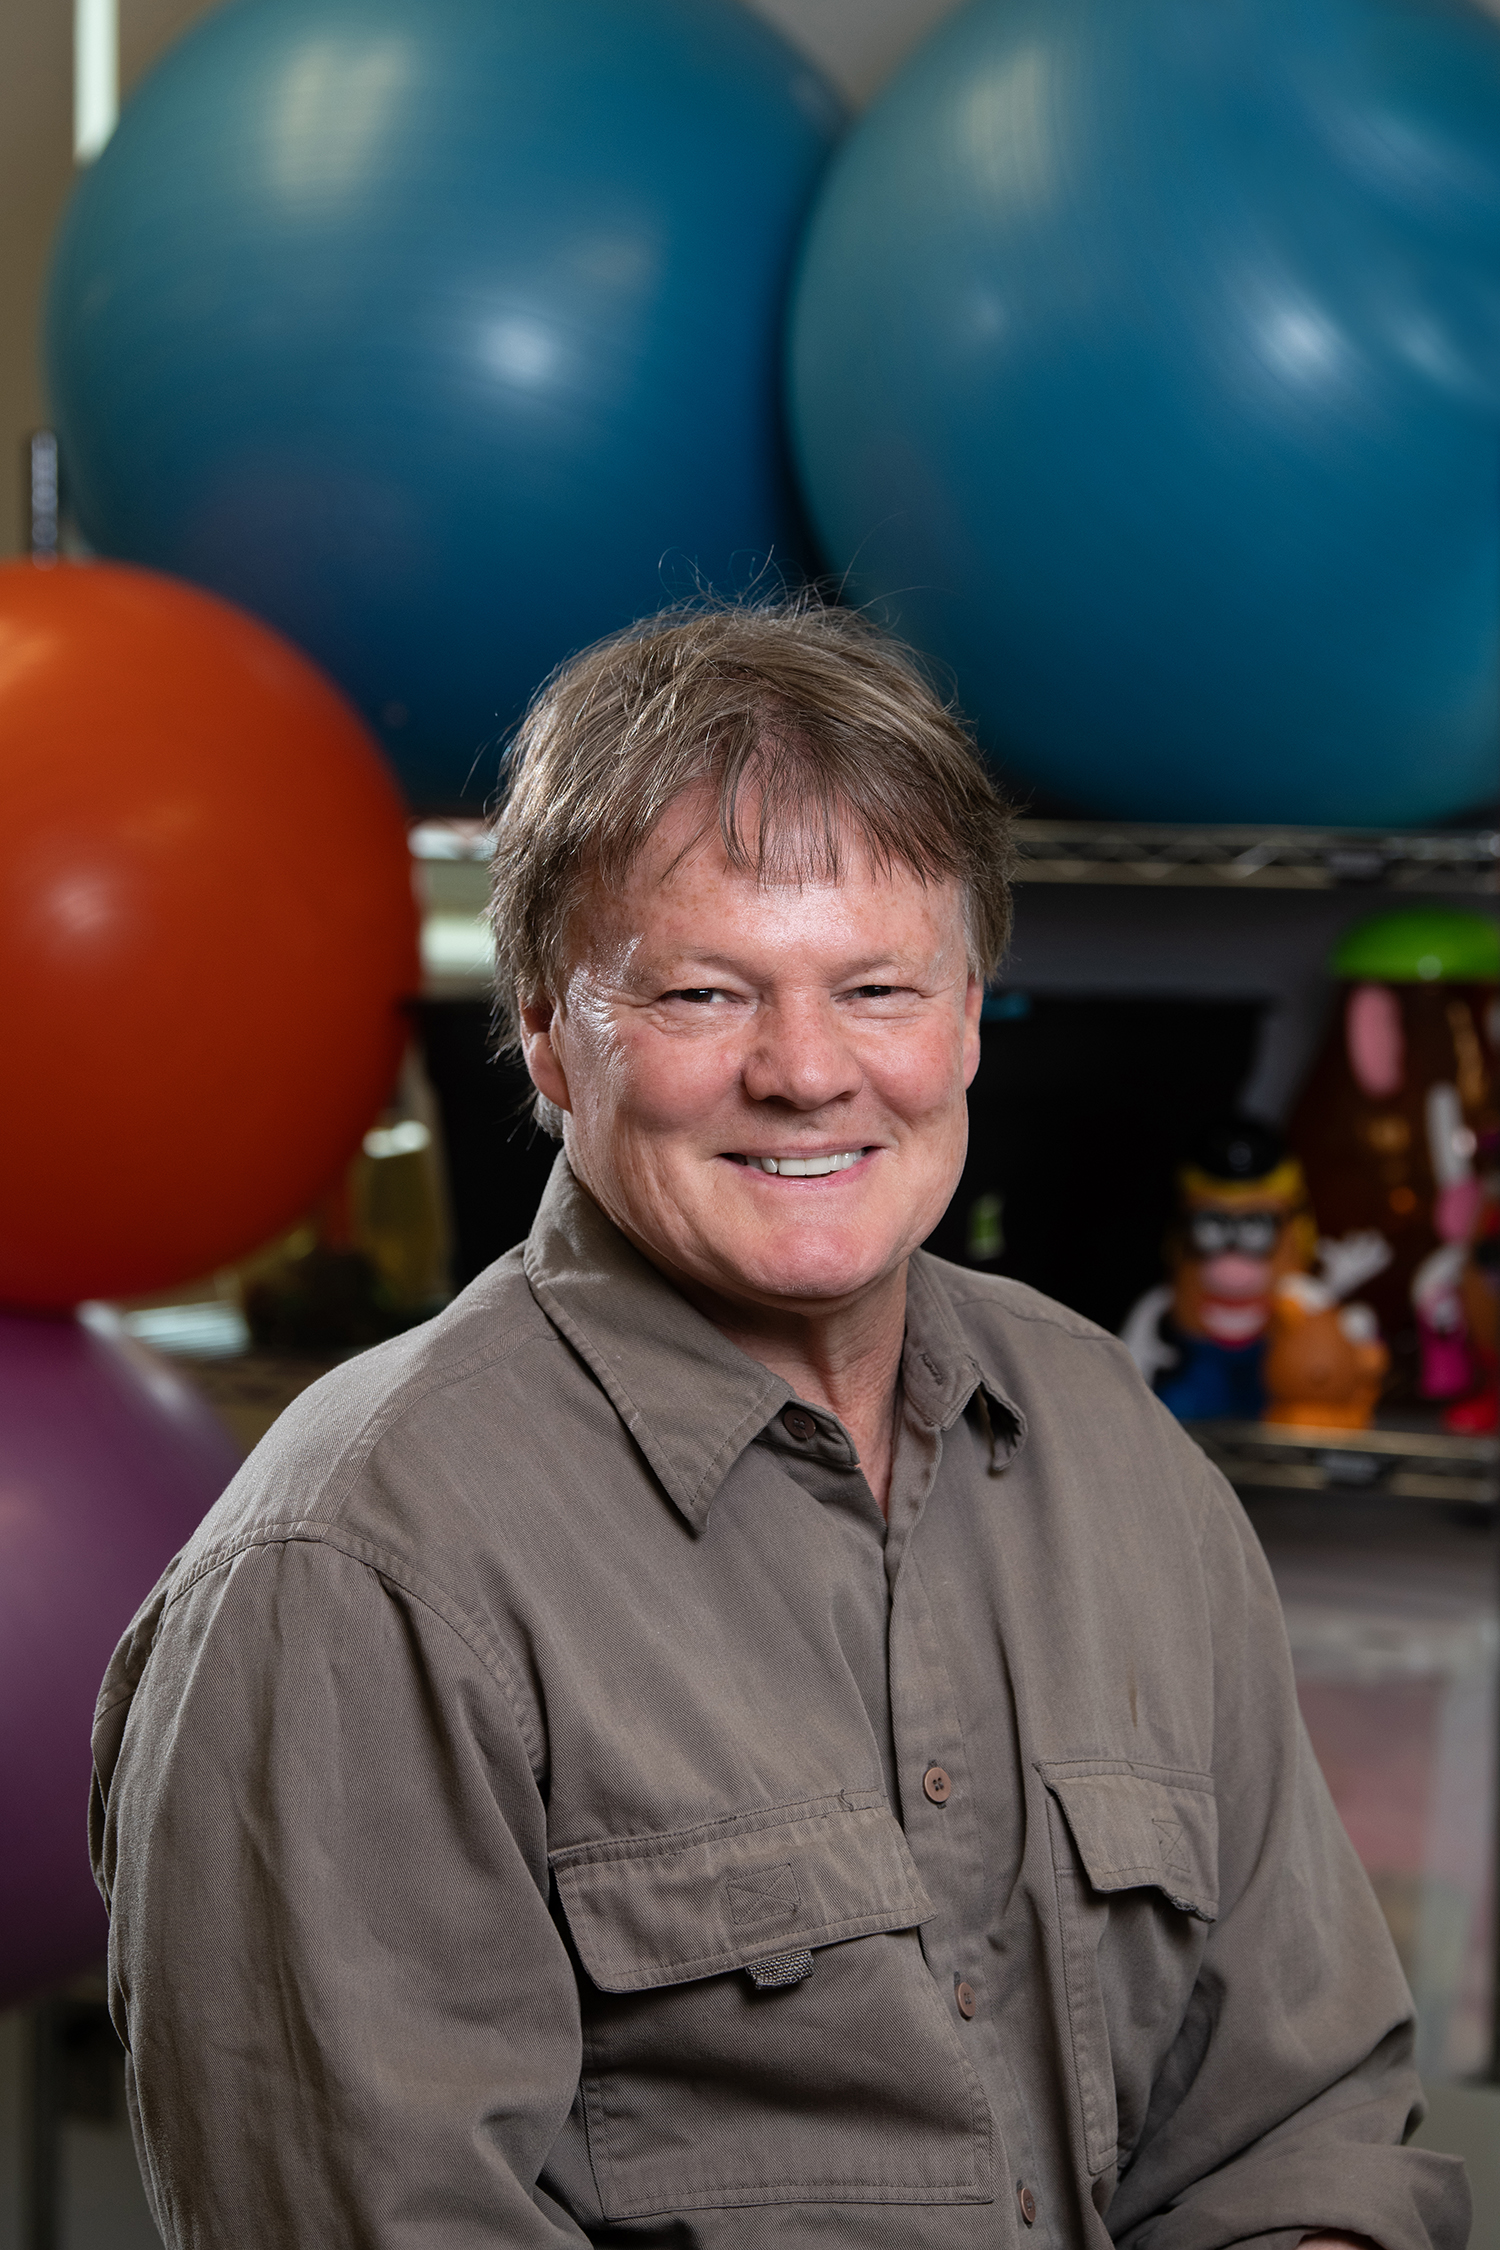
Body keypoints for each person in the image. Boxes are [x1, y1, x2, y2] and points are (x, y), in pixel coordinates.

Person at [91, 598, 1467, 2250]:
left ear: (969, 1014)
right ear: (544, 1027)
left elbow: (1296, 2115)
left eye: (878, 984)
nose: (809, 1071)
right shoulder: (354, 1569)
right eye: (702, 994)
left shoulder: (1114, 1446)